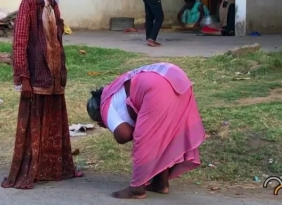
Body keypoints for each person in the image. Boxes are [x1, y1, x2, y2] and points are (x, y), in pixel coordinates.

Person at [1, 0, 82, 190]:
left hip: (54, 74)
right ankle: (30, 170)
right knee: (34, 124)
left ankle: (52, 169)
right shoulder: (29, 4)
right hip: (36, 75)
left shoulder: (53, 5)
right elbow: (19, 42)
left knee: (54, 123)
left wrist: (61, 72)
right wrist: (23, 77)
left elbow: (57, 40)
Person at [86, 62, 206, 199]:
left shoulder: (105, 106)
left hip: (157, 85)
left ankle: (136, 188)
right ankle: (160, 183)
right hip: (176, 77)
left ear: (99, 119)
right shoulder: (115, 89)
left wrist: (108, 125)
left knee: (145, 139)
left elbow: (123, 135)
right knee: (164, 136)